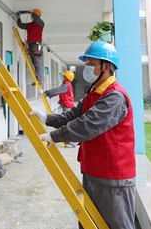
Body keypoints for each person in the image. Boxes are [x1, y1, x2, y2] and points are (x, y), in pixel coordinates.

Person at [31, 41, 136, 229]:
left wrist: (55, 136)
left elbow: (87, 125)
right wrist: (47, 118)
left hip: (113, 178)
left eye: (90, 64)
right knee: (90, 224)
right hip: (93, 170)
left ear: (106, 67)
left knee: (116, 225)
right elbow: (74, 114)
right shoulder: (94, 92)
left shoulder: (115, 97)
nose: (86, 69)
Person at [16, 9, 45, 84]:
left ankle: (40, 79)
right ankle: (37, 77)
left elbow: (36, 18)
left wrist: (31, 12)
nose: (31, 16)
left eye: (32, 15)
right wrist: (18, 17)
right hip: (30, 44)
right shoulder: (30, 25)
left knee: (38, 62)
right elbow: (20, 25)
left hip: (37, 45)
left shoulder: (41, 24)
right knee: (34, 62)